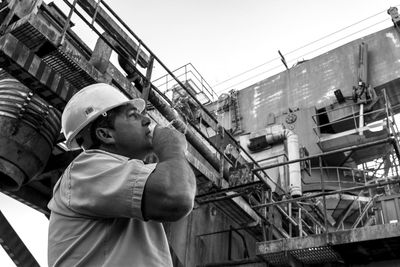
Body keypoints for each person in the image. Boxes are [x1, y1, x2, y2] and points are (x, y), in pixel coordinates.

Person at [47, 83, 196, 267]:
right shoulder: (87, 167)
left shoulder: (124, 175)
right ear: (105, 134)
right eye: (134, 115)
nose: (147, 120)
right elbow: (176, 195)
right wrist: (172, 147)